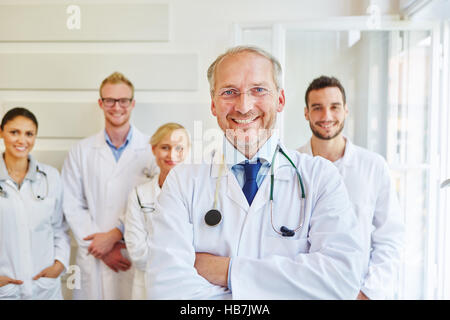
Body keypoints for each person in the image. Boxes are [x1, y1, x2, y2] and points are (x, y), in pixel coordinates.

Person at [146, 46, 363, 299]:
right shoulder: (182, 182)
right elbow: (166, 290)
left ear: (280, 100)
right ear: (213, 104)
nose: (244, 106)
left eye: (258, 90)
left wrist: (227, 271)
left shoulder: (320, 177)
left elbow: (341, 281)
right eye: (229, 92)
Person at [298, 75, 404, 299]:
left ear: (346, 110)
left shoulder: (373, 166)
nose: (326, 116)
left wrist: (367, 293)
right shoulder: (291, 167)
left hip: (358, 292)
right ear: (306, 113)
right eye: (317, 108)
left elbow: (390, 238)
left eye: (334, 107)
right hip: (304, 291)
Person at [61, 72, 155, 299]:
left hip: (134, 250)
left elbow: (155, 201)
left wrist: (115, 235)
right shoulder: (81, 151)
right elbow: (70, 203)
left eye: (123, 100)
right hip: (94, 253)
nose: (117, 107)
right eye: (110, 100)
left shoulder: (152, 149)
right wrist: (102, 249)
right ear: (100, 103)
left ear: (132, 104)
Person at [0, 107, 70, 300]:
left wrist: (59, 265)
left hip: (44, 288)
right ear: (1, 132)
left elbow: (59, 229)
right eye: (14, 132)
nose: (22, 140)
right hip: (5, 290)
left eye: (29, 134)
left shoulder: (51, 177)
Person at [124, 123, 190, 299]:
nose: (172, 155)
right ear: (153, 149)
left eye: (179, 148)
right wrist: (182, 260)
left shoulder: (198, 194)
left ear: (188, 150)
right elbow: (137, 253)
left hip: (187, 288)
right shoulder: (139, 195)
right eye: (165, 147)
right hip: (147, 287)